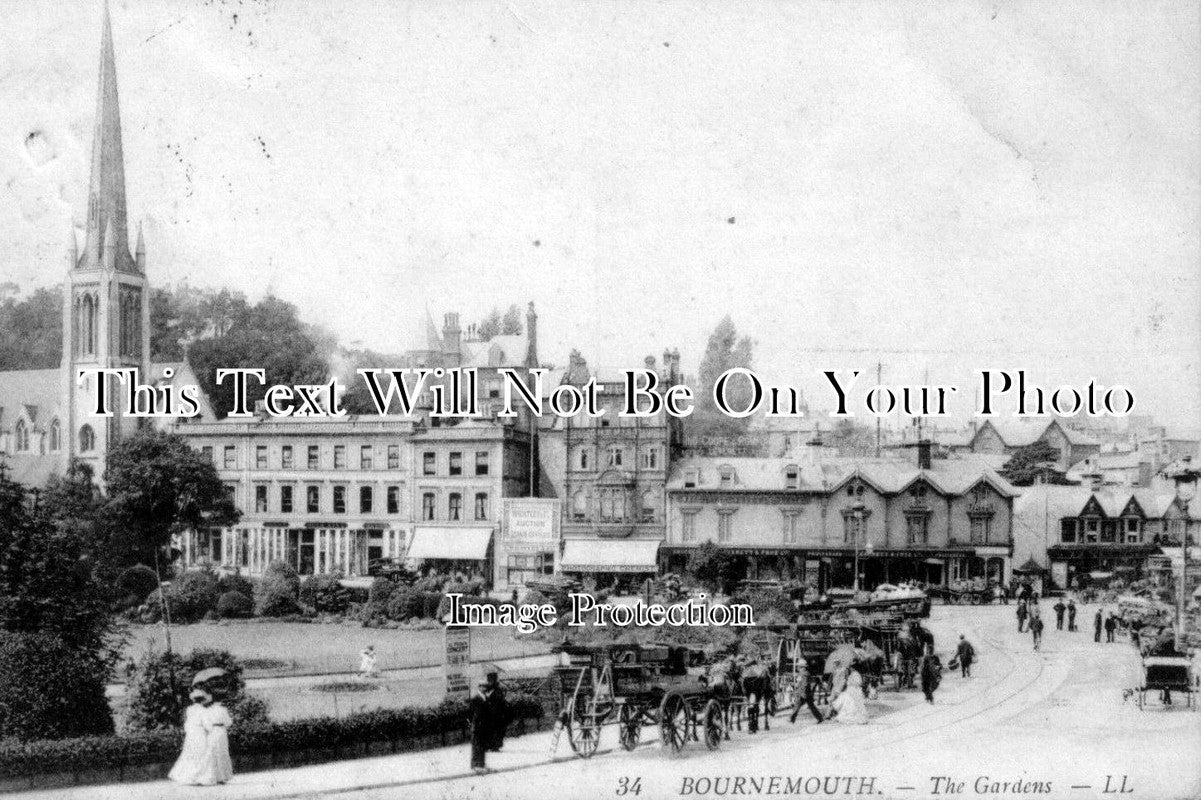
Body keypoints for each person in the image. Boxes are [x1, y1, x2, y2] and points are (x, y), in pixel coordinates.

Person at [169, 684, 233, 786]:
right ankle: (200, 776)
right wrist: (209, 730)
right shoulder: (204, 710)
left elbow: (188, 722)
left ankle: (189, 776)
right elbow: (207, 724)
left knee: (190, 754)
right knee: (203, 755)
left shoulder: (189, 709)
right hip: (201, 733)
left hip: (191, 733)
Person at [470, 678, 496, 773]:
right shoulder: (476, 698)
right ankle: (475, 765)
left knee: (482, 746)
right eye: (482, 686)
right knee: (477, 746)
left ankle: (482, 764)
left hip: (484, 727)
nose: (484, 688)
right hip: (478, 727)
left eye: (485, 686)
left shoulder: (485, 697)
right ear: (479, 687)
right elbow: (474, 713)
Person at [484, 671, 510, 752]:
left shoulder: (498, 689)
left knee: (497, 730)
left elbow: (502, 700)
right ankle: (489, 745)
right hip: (490, 714)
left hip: (497, 714)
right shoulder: (487, 689)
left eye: (492, 680)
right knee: (490, 730)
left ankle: (495, 745)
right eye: (489, 680)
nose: (490, 681)